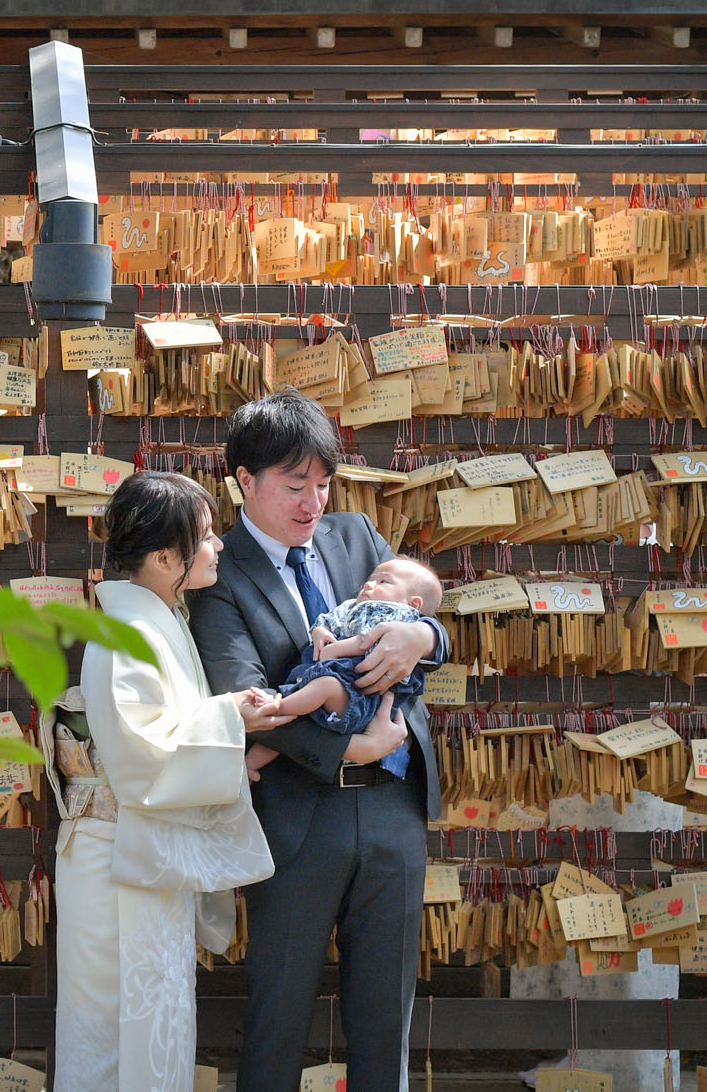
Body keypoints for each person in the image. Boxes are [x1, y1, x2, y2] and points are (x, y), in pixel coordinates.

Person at [188, 391, 450, 1092]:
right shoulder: (219, 575)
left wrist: (421, 634)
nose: (313, 504)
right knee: (278, 1017)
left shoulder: (357, 534)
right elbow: (249, 699)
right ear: (244, 480)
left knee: (385, 1023)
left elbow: (427, 617)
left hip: (394, 811)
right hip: (298, 820)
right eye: (294, 486)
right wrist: (346, 750)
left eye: (323, 483)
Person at [51, 471, 292, 1092]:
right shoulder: (130, 633)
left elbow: (164, 734)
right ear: (164, 557)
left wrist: (234, 732)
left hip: (138, 853)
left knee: (148, 1023)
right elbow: (142, 752)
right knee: (113, 1029)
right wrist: (230, 714)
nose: (216, 546)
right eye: (205, 536)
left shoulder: (154, 618)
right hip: (116, 861)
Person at [246, 556, 446, 761]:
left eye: (383, 581)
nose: (369, 584)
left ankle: (277, 707)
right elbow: (328, 620)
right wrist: (320, 631)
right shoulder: (352, 606)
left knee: (322, 688)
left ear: (413, 603)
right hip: (331, 676)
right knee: (294, 723)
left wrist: (337, 649)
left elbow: (376, 645)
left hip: (361, 692)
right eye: (371, 579)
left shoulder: (402, 616)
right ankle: (252, 764)